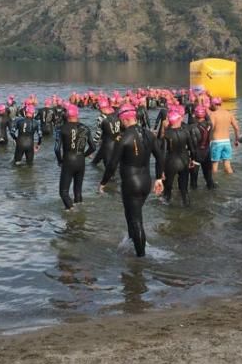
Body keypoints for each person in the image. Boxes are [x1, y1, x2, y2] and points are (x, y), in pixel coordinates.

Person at [99, 105, 164, 257]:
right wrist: (159, 178)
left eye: (120, 120)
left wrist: (103, 182)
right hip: (146, 181)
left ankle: (141, 259)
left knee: (136, 220)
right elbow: (160, 157)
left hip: (131, 183)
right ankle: (131, 244)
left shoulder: (124, 138)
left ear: (124, 119)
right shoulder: (149, 134)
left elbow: (112, 164)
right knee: (131, 215)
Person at [54, 105, 95, 210]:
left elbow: (57, 149)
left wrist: (60, 161)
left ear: (66, 115)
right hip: (81, 161)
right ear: (77, 114)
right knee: (78, 191)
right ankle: (80, 212)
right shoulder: (85, 128)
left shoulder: (61, 129)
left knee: (63, 192)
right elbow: (93, 147)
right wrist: (84, 155)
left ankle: (73, 212)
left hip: (68, 161)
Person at [161, 111, 197, 206]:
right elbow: (192, 149)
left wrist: (161, 170)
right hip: (184, 161)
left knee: (168, 188)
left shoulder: (166, 134)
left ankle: (167, 209)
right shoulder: (185, 132)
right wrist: (192, 160)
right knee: (184, 189)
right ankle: (187, 207)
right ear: (177, 121)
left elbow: (163, 153)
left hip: (171, 163)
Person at [208, 97, 239, 174]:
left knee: (214, 165)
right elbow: (237, 128)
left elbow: (210, 128)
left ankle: (214, 182)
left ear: (214, 104)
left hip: (216, 142)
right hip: (227, 142)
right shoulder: (229, 113)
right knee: (227, 165)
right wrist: (236, 140)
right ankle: (231, 182)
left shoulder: (213, 114)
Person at [187, 105, 215, 189]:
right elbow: (208, 118)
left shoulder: (191, 127)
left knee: (193, 181)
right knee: (209, 179)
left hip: (195, 155)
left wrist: (191, 158)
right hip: (207, 153)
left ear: (195, 115)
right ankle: (211, 195)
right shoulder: (210, 125)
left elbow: (191, 144)